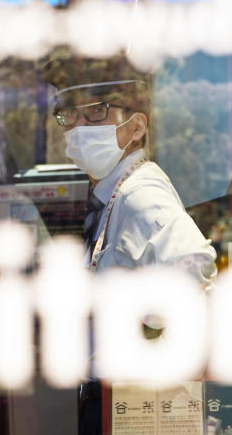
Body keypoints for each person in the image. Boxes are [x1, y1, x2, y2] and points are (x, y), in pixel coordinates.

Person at [44, 57, 217, 286]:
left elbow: (195, 276)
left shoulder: (139, 195)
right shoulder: (111, 193)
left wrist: (143, 317)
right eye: (70, 114)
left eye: (97, 111)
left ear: (136, 127)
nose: (78, 127)